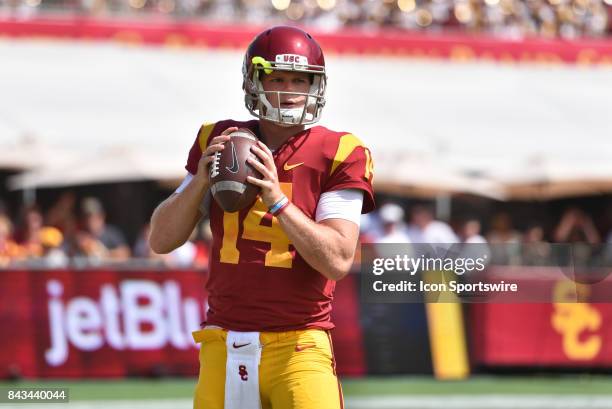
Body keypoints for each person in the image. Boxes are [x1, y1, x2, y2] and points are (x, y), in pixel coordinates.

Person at [148, 26, 375, 409]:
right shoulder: (218, 140)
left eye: (300, 80)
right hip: (223, 340)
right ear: (255, 82)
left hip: (298, 347)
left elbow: (337, 260)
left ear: (314, 86)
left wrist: (278, 202)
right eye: (278, 78)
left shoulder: (339, 150)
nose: (289, 90)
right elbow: (161, 240)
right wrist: (199, 182)